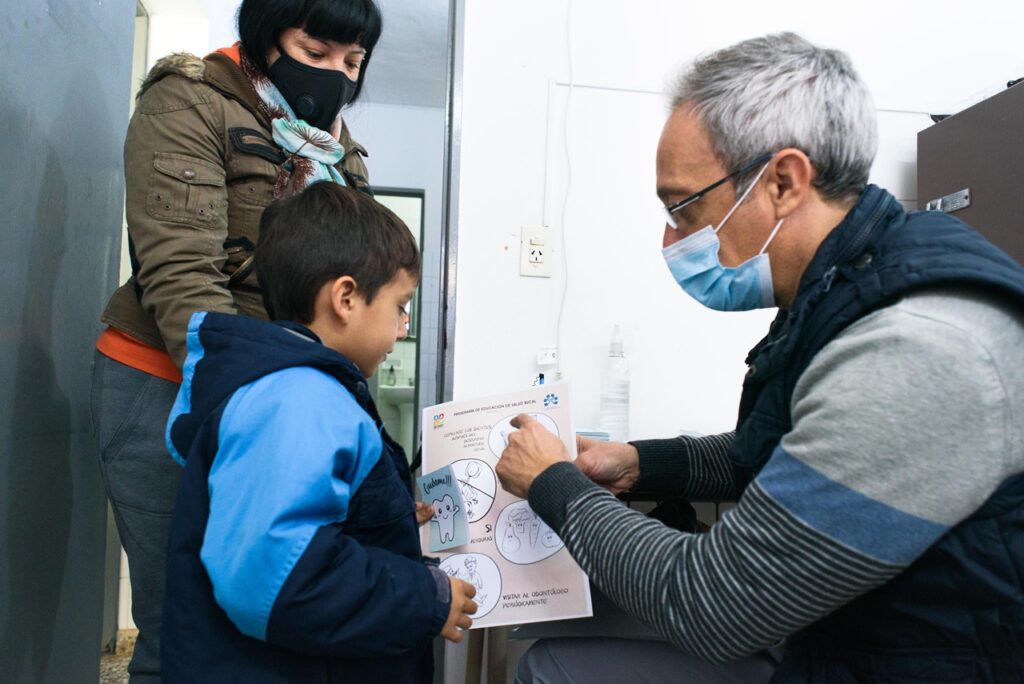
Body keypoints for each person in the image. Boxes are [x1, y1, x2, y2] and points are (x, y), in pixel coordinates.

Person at [496, 32, 1024, 682]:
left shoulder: (915, 344)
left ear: (781, 181)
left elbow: (713, 607)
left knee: (550, 671)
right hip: (847, 638)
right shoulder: (848, 282)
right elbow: (788, 454)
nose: (669, 239)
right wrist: (642, 462)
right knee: (555, 655)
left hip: (911, 662)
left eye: (683, 208)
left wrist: (555, 483)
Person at [90, 1, 382, 680]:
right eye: (317, 53)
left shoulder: (339, 152)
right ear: (265, 35)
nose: (337, 76)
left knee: (266, 619)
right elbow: (183, 277)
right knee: (187, 627)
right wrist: (260, 422)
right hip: (172, 384)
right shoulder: (190, 100)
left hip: (280, 399)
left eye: (353, 62)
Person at [160, 182, 478, 682]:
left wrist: (384, 517)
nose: (402, 328)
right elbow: (277, 577)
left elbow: (305, 520)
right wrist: (425, 596)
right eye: (400, 305)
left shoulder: (299, 391)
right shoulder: (297, 399)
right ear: (347, 298)